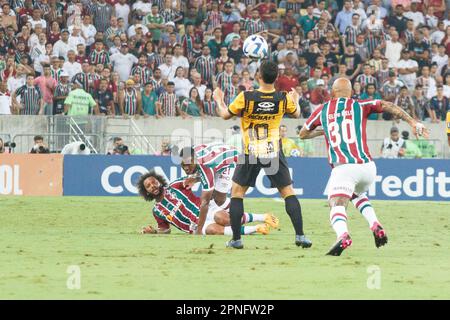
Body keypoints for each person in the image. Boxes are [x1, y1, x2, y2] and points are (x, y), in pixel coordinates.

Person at [299, 78, 428, 256]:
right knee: (356, 193)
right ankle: (375, 224)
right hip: (368, 167)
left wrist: (323, 130)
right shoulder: (360, 105)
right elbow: (387, 105)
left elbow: (303, 134)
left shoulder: (323, 110)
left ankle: (343, 235)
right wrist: (413, 122)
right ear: (350, 92)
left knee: (336, 202)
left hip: (344, 167)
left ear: (333, 92)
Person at [213, 60, 312, 249]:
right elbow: (297, 113)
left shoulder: (247, 96)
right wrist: (296, 99)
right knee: (287, 192)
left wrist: (218, 99)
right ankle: (300, 236)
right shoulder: (283, 98)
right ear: (276, 78)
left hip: (251, 150)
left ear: (259, 76)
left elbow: (225, 115)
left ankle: (236, 239)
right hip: (272, 150)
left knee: (237, 193)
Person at [137, 171, 274, 236]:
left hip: (205, 210)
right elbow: (166, 229)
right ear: (147, 192)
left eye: (154, 182)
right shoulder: (157, 211)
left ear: (159, 181)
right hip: (195, 227)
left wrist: (195, 179)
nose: (153, 186)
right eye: (148, 186)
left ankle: (264, 217)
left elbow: (195, 178)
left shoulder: (174, 186)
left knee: (224, 218)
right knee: (213, 230)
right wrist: (154, 230)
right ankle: (257, 228)